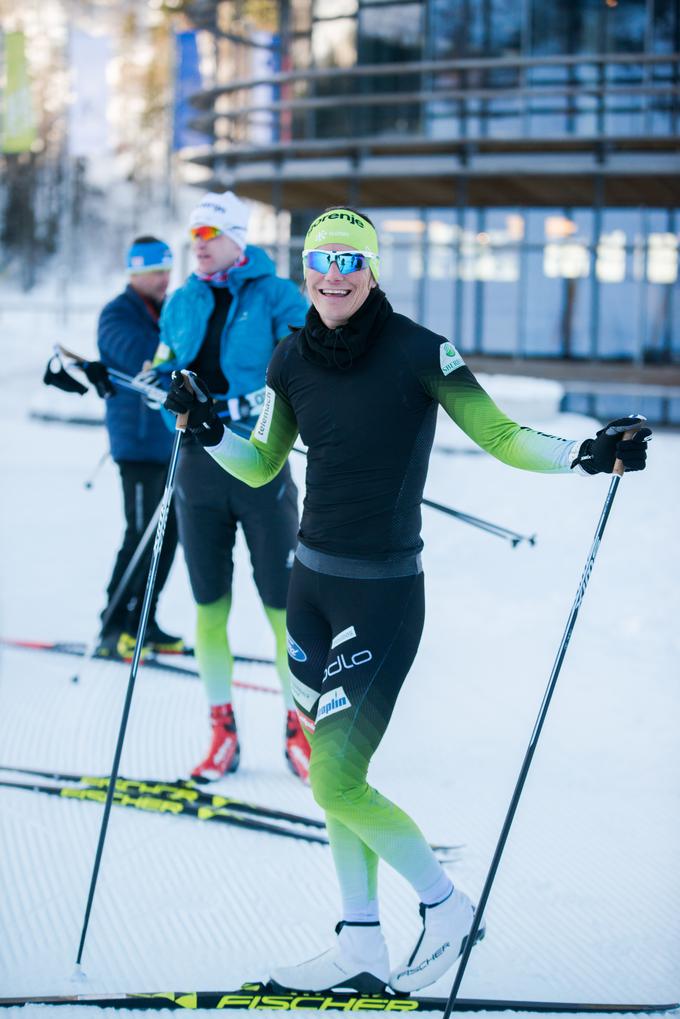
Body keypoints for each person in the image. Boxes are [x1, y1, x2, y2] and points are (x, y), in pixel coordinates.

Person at [163, 206, 651, 994]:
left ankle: (447, 905)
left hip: (383, 593)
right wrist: (206, 426)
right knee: (335, 772)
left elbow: (499, 435)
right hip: (309, 584)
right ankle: (361, 939)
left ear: (373, 268)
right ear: (304, 269)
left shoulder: (424, 351)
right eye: (320, 258)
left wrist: (584, 454)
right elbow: (260, 466)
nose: (332, 274)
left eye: (350, 260)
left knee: (333, 780)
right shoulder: (291, 358)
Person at [152, 191, 309, 782]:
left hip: (258, 458)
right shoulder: (184, 299)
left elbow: (303, 367)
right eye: (194, 234)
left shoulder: (276, 295)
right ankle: (222, 734)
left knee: (282, 609)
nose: (199, 244)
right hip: (196, 465)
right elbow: (162, 363)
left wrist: (240, 402)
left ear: (237, 239)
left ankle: (300, 730)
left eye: (210, 234)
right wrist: (143, 380)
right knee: (208, 607)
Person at [96, 236, 184, 660]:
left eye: (168, 269)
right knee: (140, 534)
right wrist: (176, 352)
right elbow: (141, 357)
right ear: (135, 273)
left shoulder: (164, 311)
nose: (164, 278)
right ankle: (113, 628)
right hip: (135, 445)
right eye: (156, 271)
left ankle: (143, 623)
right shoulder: (118, 314)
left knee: (168, 535)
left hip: (165, 442)